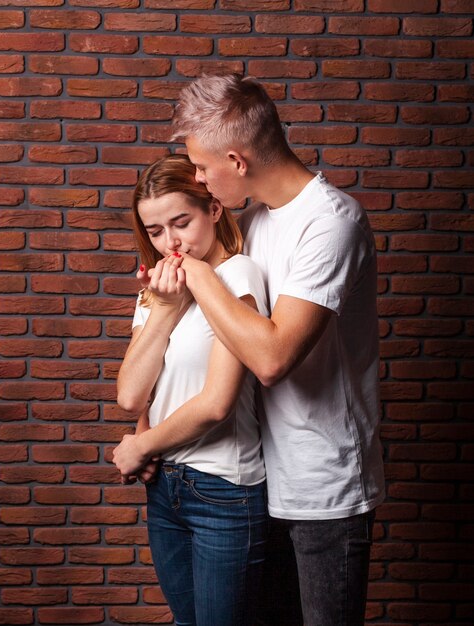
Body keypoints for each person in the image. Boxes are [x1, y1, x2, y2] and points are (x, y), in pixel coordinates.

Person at [154, 74, 385, 626]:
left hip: (322, 486)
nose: (202, 183)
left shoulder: (332, 223)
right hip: (255, 481)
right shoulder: (253, 222)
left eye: (204, 169)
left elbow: (272, 358)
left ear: (237, 160)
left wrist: (199, 273)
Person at [112, 154, 268, 626]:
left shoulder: (239, 277)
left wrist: (140, 446)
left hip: (224, 491)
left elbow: (217, 403)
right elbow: (131, 396)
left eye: (181, 222)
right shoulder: (158, 287)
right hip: (165, 487)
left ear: (214, 209)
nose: (171, 243)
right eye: (156, 232)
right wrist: (162, 308)